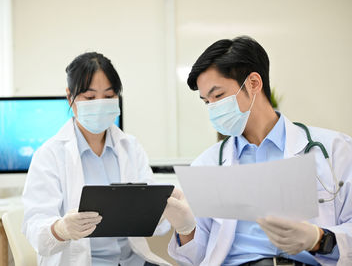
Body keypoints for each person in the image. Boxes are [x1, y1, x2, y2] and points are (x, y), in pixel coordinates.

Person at [163, 36, 352, 266]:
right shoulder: (207, 164)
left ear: (253, 83)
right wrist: (186, 228)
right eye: (207, 101)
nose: (213, 108)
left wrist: (320, 239)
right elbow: (198, 258)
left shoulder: (335, 149)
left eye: (218, 96)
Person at [22, 52, 171, 266]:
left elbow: (154, 218)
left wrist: (167, 210)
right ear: (70, 97)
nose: (100, 104)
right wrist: (61, 229)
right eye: (90, 97)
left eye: (109, 96)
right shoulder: (50, 154)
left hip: (132, 261)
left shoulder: (130, 147)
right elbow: (35, 227)